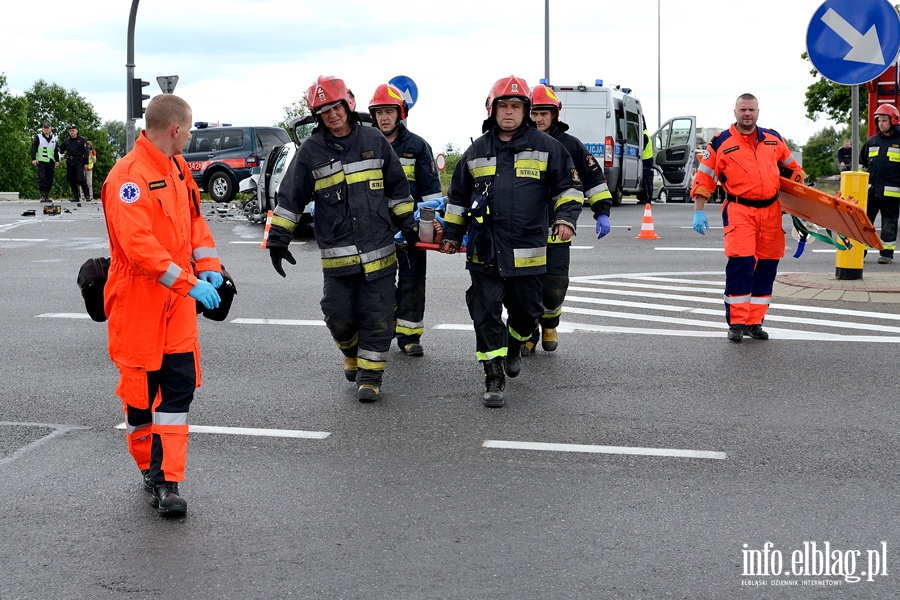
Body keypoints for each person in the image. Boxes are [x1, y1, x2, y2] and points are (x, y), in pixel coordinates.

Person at [101, 94, 224, 516]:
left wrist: (209, 267)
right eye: (188, 130)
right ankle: (148, 469)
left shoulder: (176, 167)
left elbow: (194, 221)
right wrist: (189, 282)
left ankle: (167, 481)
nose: (189, 137)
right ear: (174, 129)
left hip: (177, 301)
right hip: (139, 300)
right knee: (141, 400)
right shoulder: (127, 178)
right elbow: (139, 248)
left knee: (177, 390)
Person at [266, 75, 418, 403]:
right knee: (338, 316)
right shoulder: (310, 151)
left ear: (348, 104)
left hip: (379, 253)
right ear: (317, 116)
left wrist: (409, 226)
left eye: (336, 107)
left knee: (377, 316)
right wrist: (279, 238)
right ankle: (350, 352)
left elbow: (398, 190)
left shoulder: (375, 141)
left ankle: (370, 377)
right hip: (338, 258)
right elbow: (291, 196)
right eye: (324, 111)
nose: (332, 115)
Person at [439, 75, 582, 408]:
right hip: (484, 252)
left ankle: (516, 344)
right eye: (503, 106)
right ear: (492, 109)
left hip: (528, 252)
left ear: (525, 111)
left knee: (527, 313)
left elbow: (568, 188)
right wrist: (450, 235)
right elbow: (458, 198)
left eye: (516, 106)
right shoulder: (475, 152)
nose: (509, 112)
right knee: (485, 313)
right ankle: (493, 375)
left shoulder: (548, 148)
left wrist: (565, 219)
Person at [690, 93, 803, 343]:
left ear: (758, 112)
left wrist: (797, 201)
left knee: (767, 266)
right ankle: (737, 322)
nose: (747, 114)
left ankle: (755, 322)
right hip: (739, 209)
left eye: (751, 110)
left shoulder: (774, 139)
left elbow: (794, 170)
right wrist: (699, 210)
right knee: (741, 265)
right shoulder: (721, 142)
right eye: (743, 110)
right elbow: (705, 176)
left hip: (771, 211)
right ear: (735, 112)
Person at [524, 83, 612, 356]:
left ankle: (550, 323)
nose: (539, 119)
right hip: (524, 230)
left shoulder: (571, 145)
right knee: (524, 287)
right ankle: (527, 333)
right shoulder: (518, 141)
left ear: (555, 115)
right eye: (535, 113)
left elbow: (594, 180)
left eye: (544, 113)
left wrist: (603, 211)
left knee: (554, 285)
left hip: (557, 228)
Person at [368, 82, 443, 357]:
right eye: (379, 112)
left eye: (389, 111)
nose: (384, 117)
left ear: (401, 113)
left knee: (413, 280)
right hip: (376, 230)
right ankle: (383, 330)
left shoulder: (417, 147)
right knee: (380, 283)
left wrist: (430, 226)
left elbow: (432, 194)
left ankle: (410, 336)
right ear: (373, 115)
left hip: (410, 228)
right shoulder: (365, 144)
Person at [859, 104, 900, 264]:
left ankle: (886, 254)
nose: (881, 124)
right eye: (879, 121)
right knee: (864, 222)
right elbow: (862, 167)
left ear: (893, 121)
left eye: (884, 120)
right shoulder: (872, 142)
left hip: (892, 193)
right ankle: (860, 251)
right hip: (871, 192)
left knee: (889, 223)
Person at [59, 124, 91, 202]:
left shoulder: (82, 140)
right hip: (70, 161)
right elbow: (61, 149)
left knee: (81, 179)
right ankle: (75, 196)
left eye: (73, 130)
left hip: (79, 161)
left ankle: (87, 195)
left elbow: (86, 151)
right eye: (70, 131)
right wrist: (63, 151)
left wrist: (86, 163)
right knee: (71, 179)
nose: (71, 132)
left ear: (76, 131)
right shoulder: (67, 141)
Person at [30, 121, 59, 202]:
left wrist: (57, 160)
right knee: (42, 178)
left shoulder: (53, 139)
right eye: (44, 128)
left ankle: (47, 195)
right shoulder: (38, 137)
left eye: (47, 128)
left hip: (50, 162)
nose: (46, 129)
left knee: (50, 179)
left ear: (50, 129)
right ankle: (42, 195)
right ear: (42, 129)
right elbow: (33, 148)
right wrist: (33, 159)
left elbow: (55, 150)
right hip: (41, 161)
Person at [639, 119, 655, 204]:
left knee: (646, 180)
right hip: (647, 159)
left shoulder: (644, 135)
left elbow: (642, 148)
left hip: (646, 159)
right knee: (646, 179)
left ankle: (648, 198)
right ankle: (645, 197)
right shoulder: (646, 133)